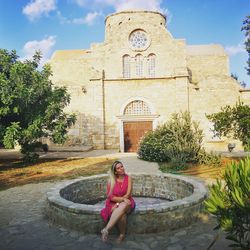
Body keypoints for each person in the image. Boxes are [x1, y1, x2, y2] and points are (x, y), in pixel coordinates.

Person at [100, 161, 135, 243]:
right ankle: (122, 235)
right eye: (118, 168)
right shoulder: (111, 181)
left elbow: (128, 194)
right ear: (115, 171)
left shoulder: (129, 178)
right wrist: (118, 202)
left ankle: (106, 229)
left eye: (121, 166)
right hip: (113, 203)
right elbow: (110, 197)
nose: (121, 169)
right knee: (122, 215)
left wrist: (118, 203)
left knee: (124, 204)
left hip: (128, 201)